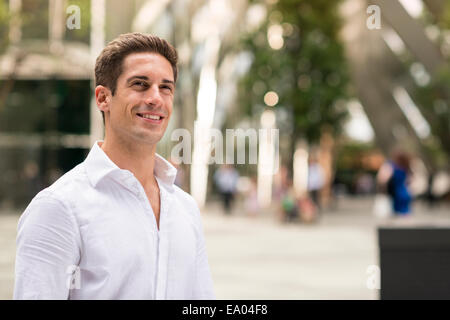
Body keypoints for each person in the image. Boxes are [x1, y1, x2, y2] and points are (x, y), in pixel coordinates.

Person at [14, 33, 215, 300]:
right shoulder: (59, 208)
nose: (156, 98)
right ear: (103, 98)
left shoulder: (185, 209)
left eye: (165, 87)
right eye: (140, 84)